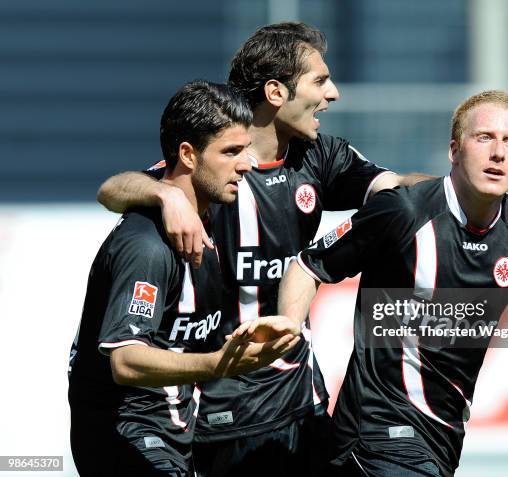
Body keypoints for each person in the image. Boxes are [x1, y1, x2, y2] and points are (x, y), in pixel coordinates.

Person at [96, 23, 430, 476]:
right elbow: (114, 189)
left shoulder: (318, 155)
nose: (333, 94)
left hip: (302, 402)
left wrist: (459, 190)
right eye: (319, 80)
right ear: (276, 91)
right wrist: (166, 196)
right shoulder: (215, 170)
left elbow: (397, 187)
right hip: (225, 414)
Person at [273, 90, 508, 476]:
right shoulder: (403, 210)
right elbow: (308, 267)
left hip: (442, 436)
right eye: (484, 138)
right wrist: (288, 341)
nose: (498, 153)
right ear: (454, 151)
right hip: (376, 429)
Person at [68, 80, 300, 476]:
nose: (246, 164)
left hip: (177, 435)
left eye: (245, 149)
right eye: (231, 152)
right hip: (127, 434)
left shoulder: (210, 218)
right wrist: (218, 364)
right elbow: (125, 360)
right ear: (188, 155)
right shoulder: (148, 247)